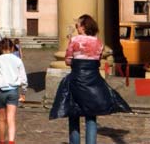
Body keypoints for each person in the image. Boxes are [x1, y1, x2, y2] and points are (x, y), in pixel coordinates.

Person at [50, 14, 131, 144]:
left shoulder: (75, 40)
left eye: (78, 25)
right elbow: (97, 61)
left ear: (83, 27)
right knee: (91, 117)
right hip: (93, 81)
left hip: (76, 80)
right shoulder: (99, 43)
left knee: (73, 115)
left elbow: (67, 61)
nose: (77, 27)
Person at [0, 38, 28, 144]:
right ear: (12, 48)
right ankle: (11, 141)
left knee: (1, 119)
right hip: (13, 91)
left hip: (0, 91)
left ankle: (1, 141)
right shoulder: (17, 60)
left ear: (0, 48)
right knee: (11, 118)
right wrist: (23, 92)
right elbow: (23, 78)